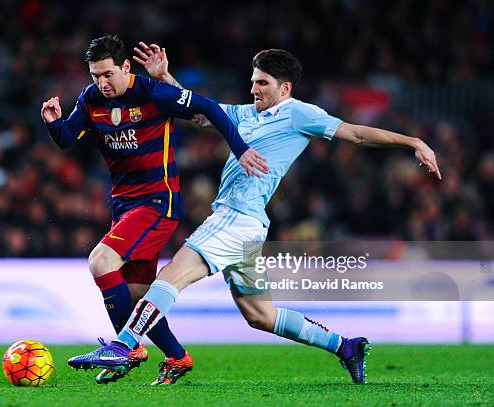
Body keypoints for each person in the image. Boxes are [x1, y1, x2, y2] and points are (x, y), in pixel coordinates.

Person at [69, 43, 441, 385]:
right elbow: (200, 115)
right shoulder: (247, 114)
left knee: (170, 277)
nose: (254, 89)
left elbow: (356, 134)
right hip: (247, 226)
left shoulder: (299, 113)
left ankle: (125, 345)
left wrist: (413, 142)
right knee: (260, 316)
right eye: (252, 82)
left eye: (262, 83)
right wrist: (166, 78)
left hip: (235, 218)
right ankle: (345, 346)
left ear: (285, 89)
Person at [41, 34, 267, 385]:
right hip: (124, 205)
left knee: (100, 261)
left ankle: (126, 350)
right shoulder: (90, 99)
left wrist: (240, 149)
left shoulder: (152, 93)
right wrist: (54, 122)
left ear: (126, 67)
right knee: (136, 294)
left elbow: (208, 108)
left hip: (157, 202)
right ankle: (178, 357)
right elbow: (69, 138)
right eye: (95, 76)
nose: (102, 83)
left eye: (107, 74)